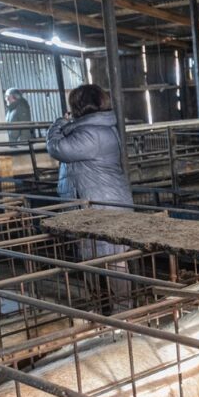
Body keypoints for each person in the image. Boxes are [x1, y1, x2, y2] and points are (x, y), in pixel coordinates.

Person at [47, 84, 134, 311]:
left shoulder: (91, 133)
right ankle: (104, 310)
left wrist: (58, 123)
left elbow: (57, 148)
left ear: (79, 106)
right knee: (95, 259)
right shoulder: (94, 128)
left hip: (104, 206)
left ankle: (123, 312)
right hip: (94, 204)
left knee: (112, 260)